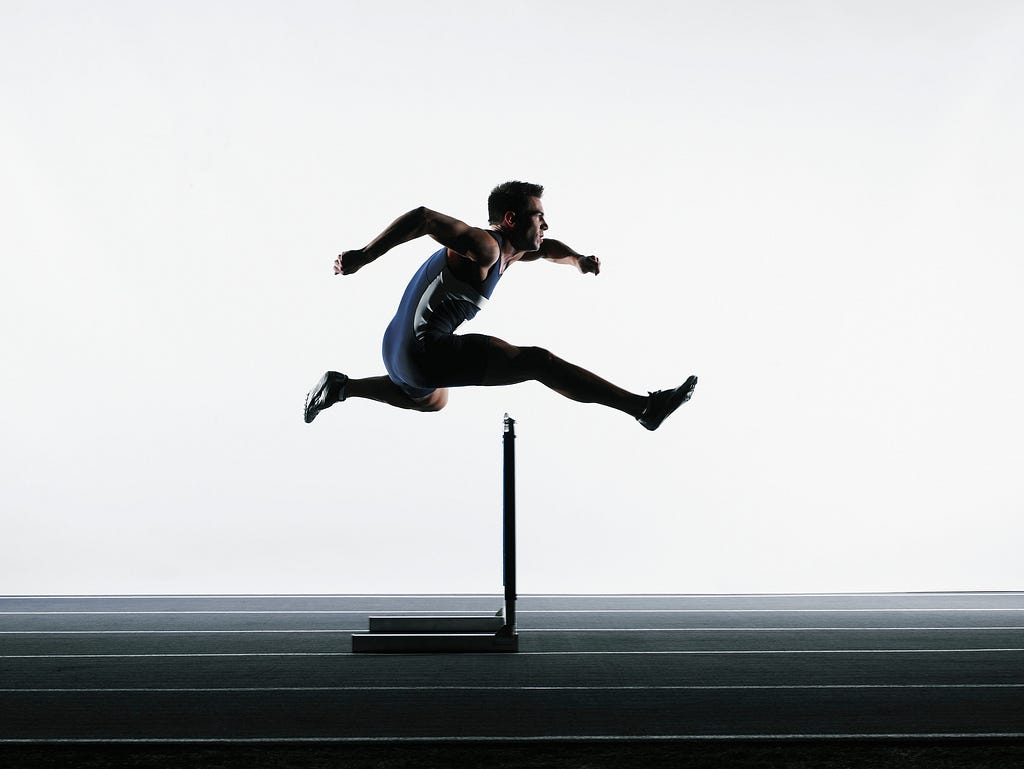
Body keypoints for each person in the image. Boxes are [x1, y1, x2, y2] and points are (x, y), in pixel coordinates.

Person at [304, 181, 696, 430]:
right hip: (423, 353)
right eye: (538, 217)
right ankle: (643, 408)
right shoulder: (485, 247)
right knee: (537, 362)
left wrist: (576, 260)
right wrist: (363, 256)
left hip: (396, 351)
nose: (545, 226)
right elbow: (423, 218)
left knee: (435, 400)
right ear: (510, 218)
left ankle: (344, 387)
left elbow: (547, 251)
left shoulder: (508, 253)